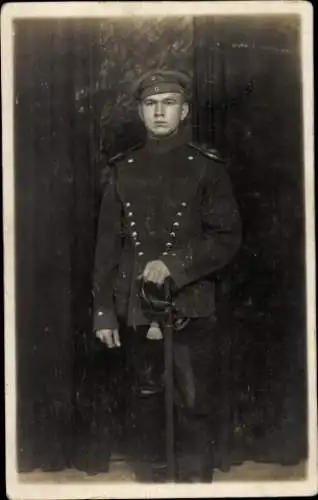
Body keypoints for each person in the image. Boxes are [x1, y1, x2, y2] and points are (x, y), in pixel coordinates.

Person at [92, 69, 242, 482]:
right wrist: (103, 310)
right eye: (151, 104)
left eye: (169, 103)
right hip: (138, 307)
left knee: (192, 401)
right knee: (147, 399)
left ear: (184, 110)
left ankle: (194, 486)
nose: (160, 112)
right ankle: (155, 486)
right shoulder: (123, 169)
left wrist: (175, 265)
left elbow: (227, 237)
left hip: (191, 303)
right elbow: (107, 248)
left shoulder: (207, 168)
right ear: (141, 112)